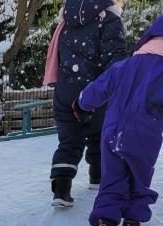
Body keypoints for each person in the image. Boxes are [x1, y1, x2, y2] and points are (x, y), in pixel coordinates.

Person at [75, 14, 163, 226]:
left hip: (112, 130)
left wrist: (82, 102)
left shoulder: (125, 65)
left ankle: (105, 225)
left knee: (112, 179)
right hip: (144, 134)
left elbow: (97, 89)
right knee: (139, 178)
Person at [43, 0, 126, 207]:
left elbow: (60, 55)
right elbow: (115, 59)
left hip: (66, 89)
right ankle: (97, 177)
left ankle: (61, 189)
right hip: (95, 87)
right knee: (100, 134)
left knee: (69, 140)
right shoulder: (109, 20)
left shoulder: (66, 21)